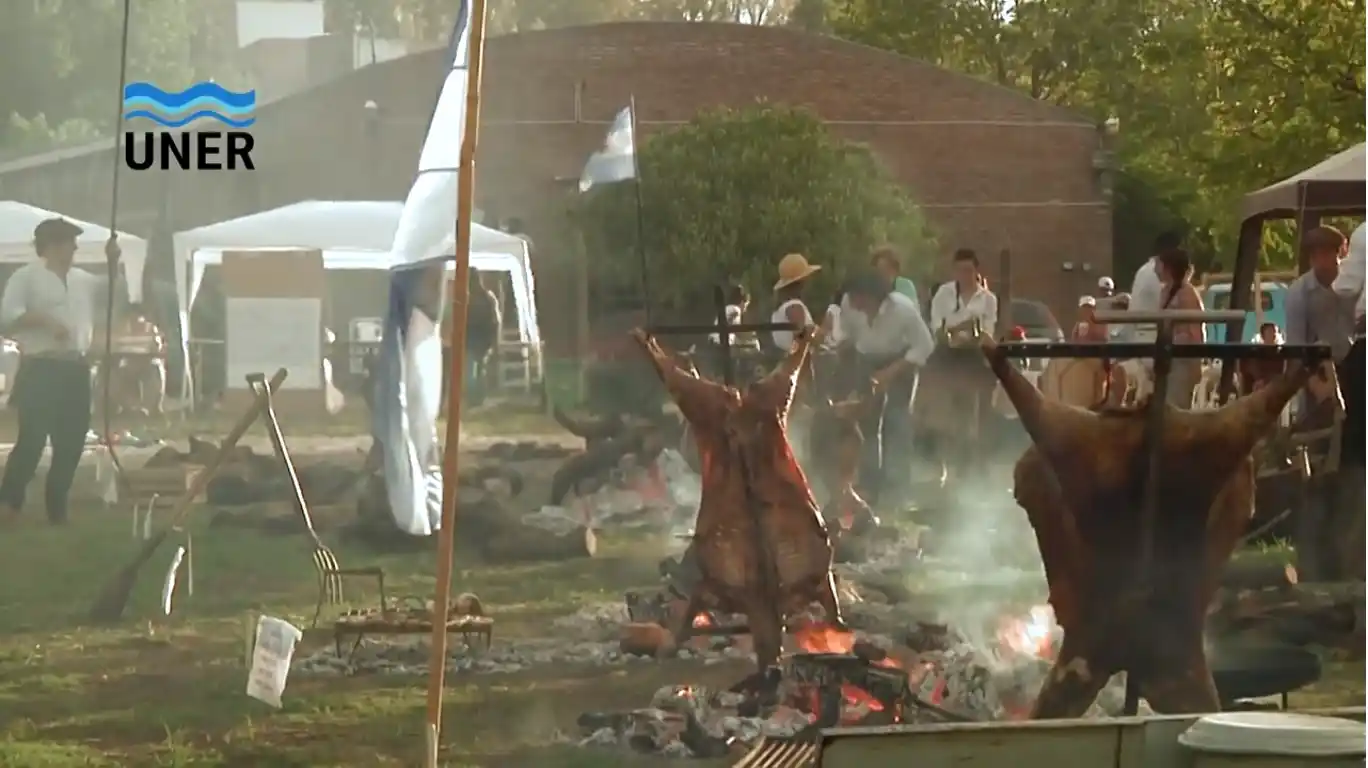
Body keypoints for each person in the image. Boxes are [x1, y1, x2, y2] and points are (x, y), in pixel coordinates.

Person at [0, 219, 119, 524]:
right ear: (52, 245)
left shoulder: (83, 279)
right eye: (70, 241)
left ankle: (57, 508)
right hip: (41, 366)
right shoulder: (26, 277)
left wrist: (115, 259)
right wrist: (44, 320)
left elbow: (116, 288)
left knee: (72, 440)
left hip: (75, 368)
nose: (75, 247)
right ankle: (10, 503)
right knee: (33, 439)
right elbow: (7, 318)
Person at [837, 270, 935, 504]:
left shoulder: (903, 310)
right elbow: (847, 337)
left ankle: (898, 486)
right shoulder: (849, 306)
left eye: (855, 296)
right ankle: (870, 484)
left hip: (900, 362)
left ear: (870, 297)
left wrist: (890, 373)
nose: (850, 301)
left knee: (897, 421)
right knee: (866, 425)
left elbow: (924, 345)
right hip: (866, 361)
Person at [1155, 247, 1205, 408]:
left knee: (1177, 405)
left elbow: (1196, 328)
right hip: (1168, 356)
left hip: (1184, 358)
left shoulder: (1187, 293)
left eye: (1159, 263)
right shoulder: (1165, 291)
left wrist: (1197, 362)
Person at [929, 249, 998, 339]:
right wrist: (959, 329)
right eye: (959, 270)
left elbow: (988, 332)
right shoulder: (943, 293)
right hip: (947, 348)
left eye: (968, 270)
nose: (964, 275)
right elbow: (936, 327)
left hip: (977, 349)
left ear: (977, 271)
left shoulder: (989, 299)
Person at [464, 270, 501, 407]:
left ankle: (476, 399)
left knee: (474, 371)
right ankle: (478, 398)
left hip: (475, 339)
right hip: (481, 339)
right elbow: (496, 320)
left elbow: (495, 320)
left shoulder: (471, 298)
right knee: (479, 371)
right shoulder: (487, 297)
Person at [770, 253, 822, 351]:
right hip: (801, 362)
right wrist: (818, 334)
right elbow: (801, 339)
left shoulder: (781, 308)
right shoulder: (795, 307)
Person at [871, 245, 920, 315]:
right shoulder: (870, 289)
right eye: (881, 269)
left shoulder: (906, 285)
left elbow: (914, 312)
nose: (885, 272)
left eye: (888, 268)